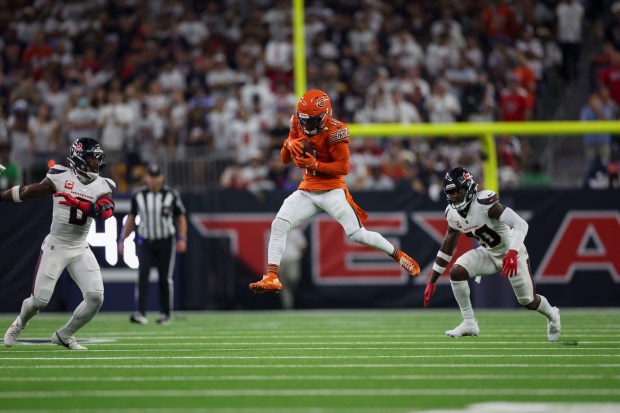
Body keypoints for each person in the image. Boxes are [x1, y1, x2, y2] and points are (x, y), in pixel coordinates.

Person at [249, 90, 421, 294]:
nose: (305, 125)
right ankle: (272, 276)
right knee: (278, 224)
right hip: (308, 189)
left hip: (332, 190)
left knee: (358, 235)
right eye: (304, 119)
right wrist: (288, 144)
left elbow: (343, 168)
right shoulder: (297, 121)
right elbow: (285, 159)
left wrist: (314, 164)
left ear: (324, 116)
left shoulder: (336, 130)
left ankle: (398, 255)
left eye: (311, 120)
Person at [423, 167, 561, 342]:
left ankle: (553, 315)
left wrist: (512, 252)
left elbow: (521, 224)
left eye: (459, 190)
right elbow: (447, 247)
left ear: (470, 188)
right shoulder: (452, 214)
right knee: (457, 272)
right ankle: (469, 323)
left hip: (512, 252)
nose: (455, 196)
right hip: (488, 253)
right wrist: (432, 280)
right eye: (451, 192)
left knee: (528, 301)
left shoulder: (485, 204)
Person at [2, 138, 115, 350]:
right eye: (92, 158)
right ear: (80, 158)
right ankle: (19, 323)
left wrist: (78, 202)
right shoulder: (60, 176)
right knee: (39, 302)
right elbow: (28, 191)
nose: (96, 163)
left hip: (80, 247)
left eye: (98, 159)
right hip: (56, 245)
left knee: (95, 297)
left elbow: (105, 212)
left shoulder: (103, 185)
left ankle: (64, 335)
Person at [118, 163, 187, 325]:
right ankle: (140, 312)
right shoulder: (138, 195)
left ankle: (165, 314)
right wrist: (122, 239)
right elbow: (131, 218)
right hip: (145, 241)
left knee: (165, 278)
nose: (154, 180)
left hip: (166, 240)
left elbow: (181, 217)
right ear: (145, 178)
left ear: (162, 177)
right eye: (151, 176)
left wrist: (182, 238)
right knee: (143, 275)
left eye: (157, 177)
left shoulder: (171, 194)